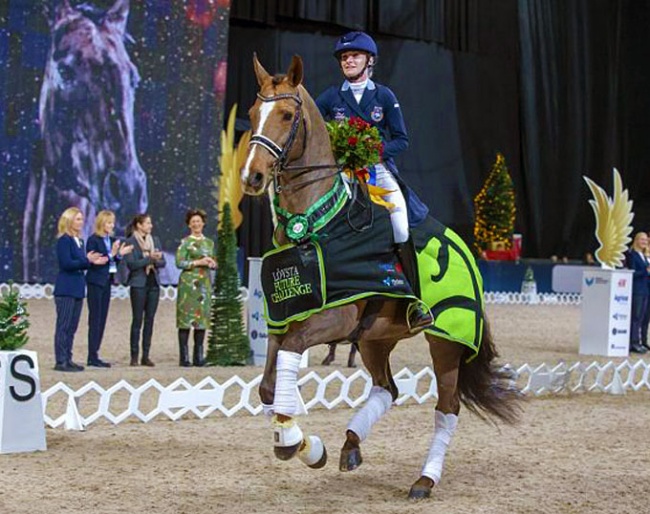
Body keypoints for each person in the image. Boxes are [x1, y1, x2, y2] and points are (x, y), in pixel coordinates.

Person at [315, 30, 432, 330]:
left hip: (377, 170)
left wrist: (372, 150)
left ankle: (413, 300)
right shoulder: (330, 97)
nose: (348, 60)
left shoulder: (384, 96)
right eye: (344, 57)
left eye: (354, 55)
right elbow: (315, 132)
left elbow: (402, 140)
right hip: (341, 171)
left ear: (369, 61)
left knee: (400, 223)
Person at [53, 207, 107, 372]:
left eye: (81, 219)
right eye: (77, 219)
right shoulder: (64, 240)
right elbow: (67, 264)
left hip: (77, 288)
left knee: (72, 327)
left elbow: (81, 263)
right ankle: (61, 360)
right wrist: (87, 260)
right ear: (68, 220)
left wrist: (90, 262)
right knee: (64, 325)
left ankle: (68, 358)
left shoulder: (79, 241)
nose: (81, 222)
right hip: (66, 288)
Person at [85, 210, 133, 367]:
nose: (111, 225)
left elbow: (112, 264)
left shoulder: (111, 240)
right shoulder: (93, 240)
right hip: (95, 282)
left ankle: (95, 353)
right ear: (101, 223)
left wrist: (119, 255)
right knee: (95, 318)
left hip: (107, 282)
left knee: (102, 318)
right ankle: (92, 355)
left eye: (112, 222)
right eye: (108, 222)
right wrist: (113, 254)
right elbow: (97, 261)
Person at [175, 209, 217, 367]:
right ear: (189, 224)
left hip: (204, 286)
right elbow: (179, 262)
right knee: (186, 320)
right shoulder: (185, 243)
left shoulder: (209, 243)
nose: (196, 224)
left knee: (201, 320)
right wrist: (197, 263)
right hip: (188, 286)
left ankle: (199, 356)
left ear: (203, 223)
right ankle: (184, 357)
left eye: (198, 221)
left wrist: (212, 264)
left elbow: (213, 260)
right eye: (193, 222)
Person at [124, 214, 166, 366]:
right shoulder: (130, 242)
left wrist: (157, 259)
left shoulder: (155, 241)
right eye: (148, 223)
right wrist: (150, 259)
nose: (150, 225)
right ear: (139, 225)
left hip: (153, 283)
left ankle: (146, 355)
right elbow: (132, 264)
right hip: (138, 284)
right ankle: (134, 356)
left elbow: (163, 263)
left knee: (150, 320)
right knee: (137, 320)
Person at [624, 231, 649, 354]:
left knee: (641, 318)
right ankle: (633, 343)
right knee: (636, 317)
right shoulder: (632, 255)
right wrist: (646, 271)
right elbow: (632, 273)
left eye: (646, 240)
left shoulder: (643, 255)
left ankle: (638, 341)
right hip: (637, 290)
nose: (644, 242)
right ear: (636, 240)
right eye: (642, 239)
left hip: (645, 290)